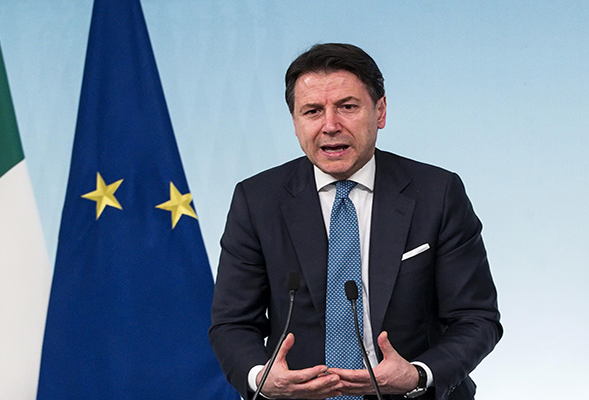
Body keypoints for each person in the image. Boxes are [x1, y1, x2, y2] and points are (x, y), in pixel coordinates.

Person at [209, 43, 502, 400]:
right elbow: (233, 323)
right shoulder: (257, 200)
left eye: (347, 107)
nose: (330, 126)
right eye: (313, 111)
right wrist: (260, 378)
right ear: (295, 122)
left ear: (379, 111)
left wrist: (418, 375)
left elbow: (476, 318)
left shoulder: (437, 193)